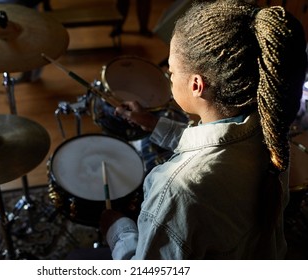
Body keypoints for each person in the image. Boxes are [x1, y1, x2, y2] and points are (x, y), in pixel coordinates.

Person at [100, 0, 307, 259]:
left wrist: (120, 232)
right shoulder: (271, 132)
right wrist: (153, 124)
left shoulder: (176, 190)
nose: (169, 75)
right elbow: (220, 147)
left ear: (197, 85)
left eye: (172, 71)